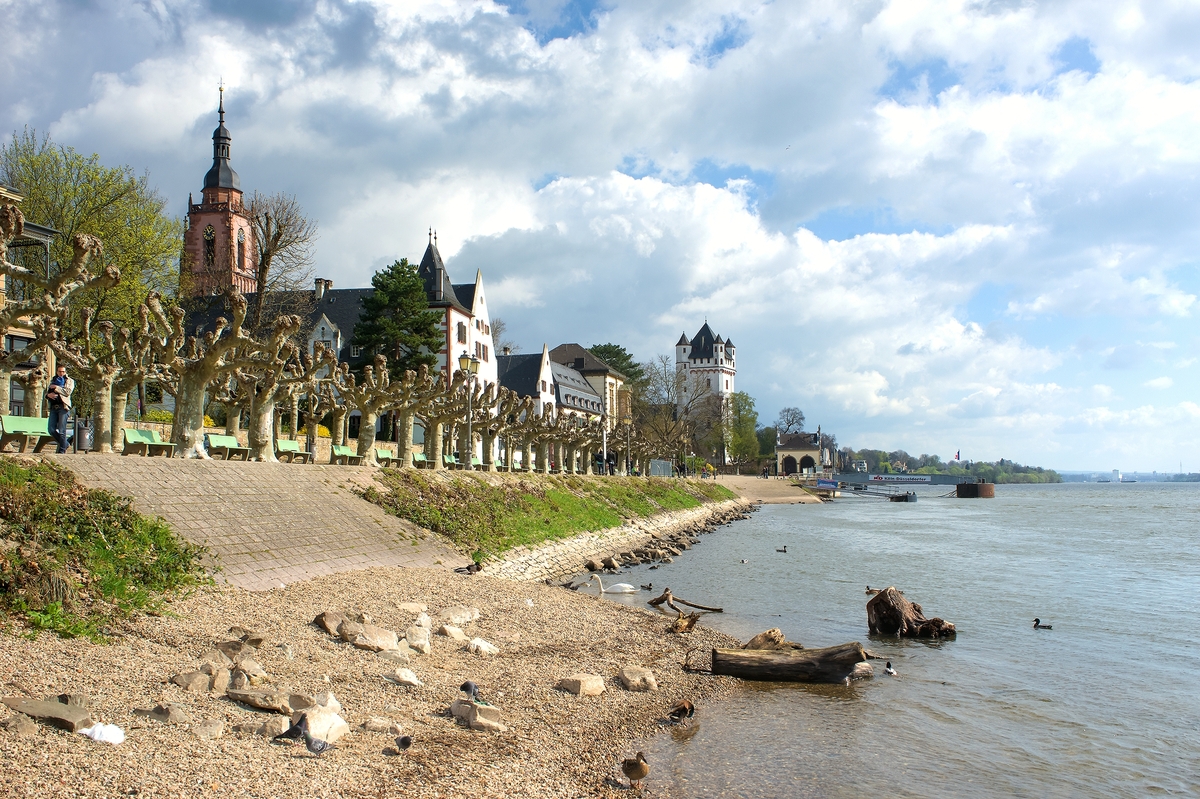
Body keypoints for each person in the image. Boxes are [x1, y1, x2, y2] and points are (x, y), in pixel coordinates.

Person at [45, 364, 75, 454]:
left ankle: (62, 450)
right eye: (59, 371)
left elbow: (67, 392)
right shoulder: (52, 380)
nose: (61, 373)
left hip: (63, 407)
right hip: (53, 407)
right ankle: (65, 443)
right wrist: (48, 395)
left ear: (65, 372)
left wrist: (56, 388)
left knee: (62, 430)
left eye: (63, 371)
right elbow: (45, 392)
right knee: (51, 429)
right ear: (57, 372)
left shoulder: (69, 381)